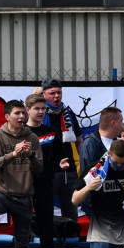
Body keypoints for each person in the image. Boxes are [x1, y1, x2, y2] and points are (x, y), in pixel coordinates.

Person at [0, 100, 43, 248]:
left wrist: (30, 155)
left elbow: (39, 170)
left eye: (23, 113)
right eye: (17, 113)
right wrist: (13, 154)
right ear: (7, 116)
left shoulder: (31, 137)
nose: (22, 116)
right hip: (3, 193)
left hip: (24, 195)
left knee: (22, 239)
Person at [26, 92, 72, 248]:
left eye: (43, 109)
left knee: (46, 222)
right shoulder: (20, 132)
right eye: (36, 108)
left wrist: (61, 163)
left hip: (45, 184)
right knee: (23, 222)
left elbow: (60, 156)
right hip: (24, 185)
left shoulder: (51, 132)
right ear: (27, 110)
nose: (40, 112)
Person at [40, 77, 83, 223]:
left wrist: (81, 167)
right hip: (47, 172)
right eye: (52, 93)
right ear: (43, 95)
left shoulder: (68, 113)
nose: (57, 96)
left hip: (68, 172)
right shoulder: (38, 114)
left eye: (59, 92)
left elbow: (79, 141)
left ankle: (71, 242)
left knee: (71, 211)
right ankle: (47, 242)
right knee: (44, 210)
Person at [80, 106, 123, 176]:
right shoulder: (90, 144)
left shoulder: (119, 143)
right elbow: (86, 176)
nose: (122, 124)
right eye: (121, 121)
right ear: (113, 123)